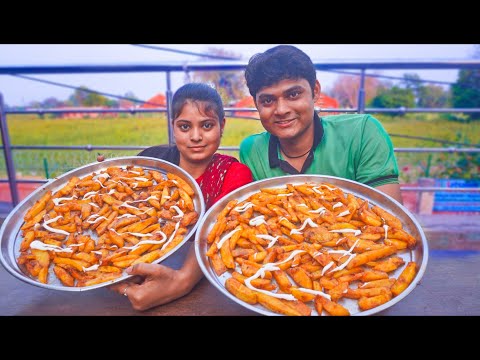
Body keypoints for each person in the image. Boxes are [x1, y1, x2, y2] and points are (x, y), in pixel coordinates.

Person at [109, 82, 253, 311]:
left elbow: (216, 233)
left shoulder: (234, 174)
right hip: (127, 273)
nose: (196, 136)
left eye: (207, 125)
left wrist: (182, 282)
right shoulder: (152, 162)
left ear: (222, 126)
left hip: (206, 292)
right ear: (173, 126)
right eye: (185, 127)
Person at [239, 45, 403, 203]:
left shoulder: (362, 132)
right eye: (268, 100)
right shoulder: (252, 150)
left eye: (293, 94)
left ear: (315, 91)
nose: (281, 110)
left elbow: (389, 220)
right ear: (256, 103)